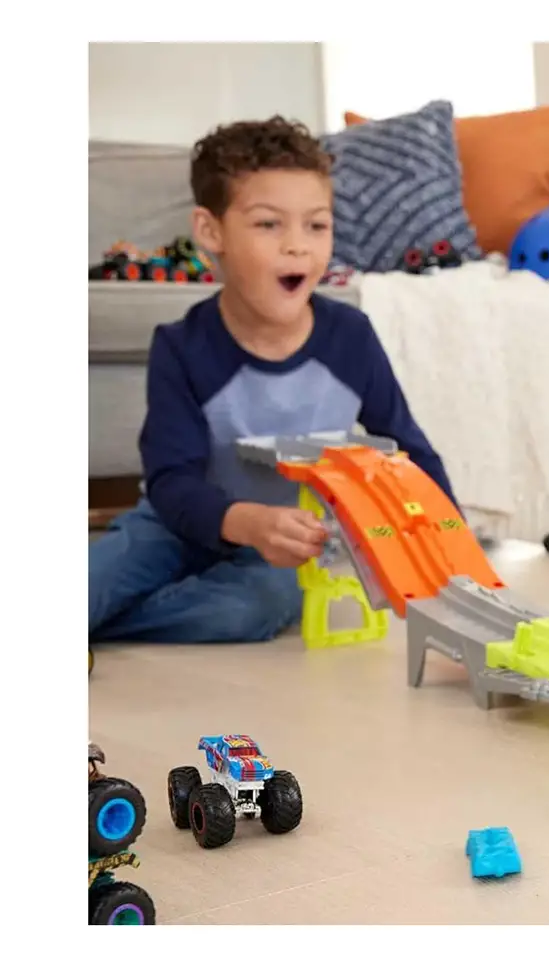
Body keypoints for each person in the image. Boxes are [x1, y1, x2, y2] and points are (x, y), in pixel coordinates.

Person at [89, 116, 456, 645]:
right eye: (268, 224)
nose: (297, 246)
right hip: (174, 525)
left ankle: (107, 624)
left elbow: (410, 452)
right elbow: (171, 481)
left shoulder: (351, 337)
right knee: (91, 583)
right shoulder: (182, 346)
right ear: (211, 231)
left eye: (317, 226)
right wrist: (244, 521)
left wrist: (450, 550)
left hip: (284, 545)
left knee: (252, 609)